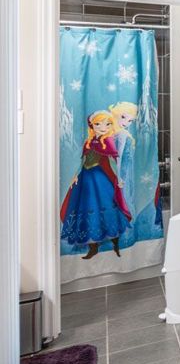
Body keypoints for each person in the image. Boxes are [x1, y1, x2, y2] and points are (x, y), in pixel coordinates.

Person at [60, 111, 132, 260]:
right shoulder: (89, 142)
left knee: (107, 207)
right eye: (98, 124)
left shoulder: (109, 142)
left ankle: (115, 243)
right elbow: (83, 161)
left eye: (107, 124)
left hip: (101, 179)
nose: (103, 127)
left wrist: (118, 178)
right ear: (92, 125)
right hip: (85, 178)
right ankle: (93, 247)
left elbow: (113, 163)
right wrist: (75, 175)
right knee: (88, 207)